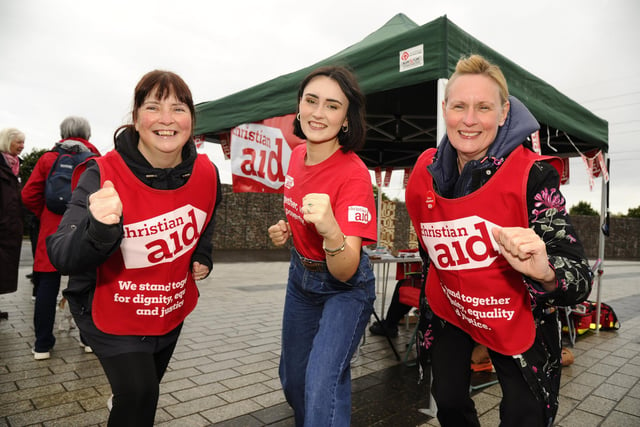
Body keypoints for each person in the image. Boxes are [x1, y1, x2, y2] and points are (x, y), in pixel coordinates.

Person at [405, 54, 593, 427]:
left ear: (504, 112)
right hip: (451, 310)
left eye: (484, 107)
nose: (470, 119)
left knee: (525, 413)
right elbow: (429, 248)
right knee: (448, 399)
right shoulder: (427, 172)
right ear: (445, 109)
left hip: (517, 315)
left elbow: (580, 276)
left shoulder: (532, 175)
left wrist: (546, 271)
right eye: (459, 106)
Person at [46, 70, 222, 427]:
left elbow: (208, 213)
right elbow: (61, 252)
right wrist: (99, 228)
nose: (167, 119)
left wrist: (202, 254)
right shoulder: (102, 173)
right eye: (154, 107)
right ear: (137, 119)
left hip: (168, 309)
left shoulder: (207, 172)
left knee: (142, 392)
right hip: (108, 308)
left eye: (178, 108)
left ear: (192, 119)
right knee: (141, 394)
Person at [268, 65, 377, 427]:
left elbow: (345, 268)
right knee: (294, 381)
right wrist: (289, 226)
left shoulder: (355, 175)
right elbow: (302, 208)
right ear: (299, 107)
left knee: (321, 386)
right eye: (311, 101)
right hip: (300, 279)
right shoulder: (297, 154)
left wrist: (331, 231)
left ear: (346, 119)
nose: (318, 112)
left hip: (344, 289)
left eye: (332, 105)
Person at [21, 116, 101, 358]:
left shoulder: (49, 158)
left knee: (46, 287)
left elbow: (27, 194)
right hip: (85, 231)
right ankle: (88, 340)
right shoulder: (96, 160)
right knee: (86, 287)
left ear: (63, 132)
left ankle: (42, 345)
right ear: (87, 134)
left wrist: (45, 214)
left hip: (52, 231)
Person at [0, 127, 26, 319]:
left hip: (10, 225)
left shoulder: (15, 165)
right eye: (18, 142)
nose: (22, 146)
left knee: (3, 268)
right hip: (3, 223)